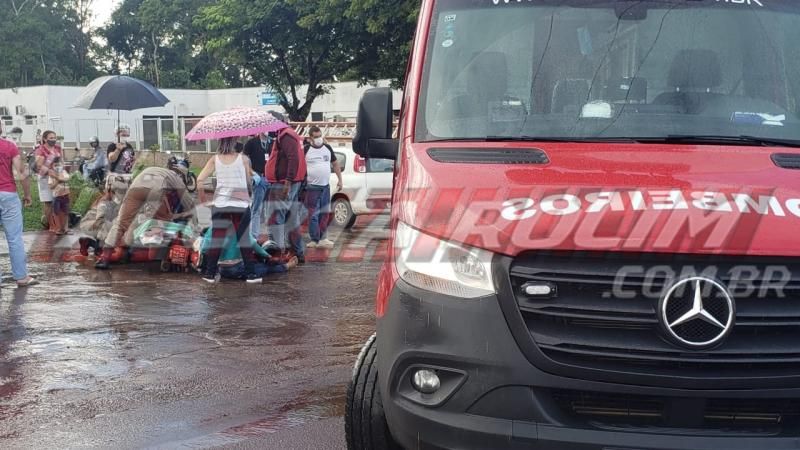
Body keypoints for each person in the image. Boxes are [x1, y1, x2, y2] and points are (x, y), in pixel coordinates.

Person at [95, 166, 196, 270]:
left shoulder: (158, 170)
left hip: (135, 187)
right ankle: (160, 259)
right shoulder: (177, 179)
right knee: (157, 223)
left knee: (121, 223)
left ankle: (104, 259)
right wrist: (195, 224)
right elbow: (189, 203)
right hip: (155, 188)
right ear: (183, 176)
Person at [196, 137, 261, 284]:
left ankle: (210, 275)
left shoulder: (214, 159)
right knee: (243, 239)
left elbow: (199, 180)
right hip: (240, 205)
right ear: (234, 143)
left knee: (217, 239)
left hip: (221, 204)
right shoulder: (243, 159)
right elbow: (248, 183)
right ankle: (251, 275)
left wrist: (203, 201)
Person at [0, 125, 37, 287]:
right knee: (14, 238)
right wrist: (27, 194)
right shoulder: (9, 146)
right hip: (8, 195)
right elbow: (22, 172)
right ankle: (21, 277)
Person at [265, 126, 307, 263]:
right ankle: (297, 252)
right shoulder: (290, 134)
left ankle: (278, 254)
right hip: (291, 183)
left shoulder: (285, 136)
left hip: (283, 184)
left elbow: (293, 158)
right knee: (291, 219)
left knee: (275, 218)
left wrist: (287, 182)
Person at [304, 126, 342, 249]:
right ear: (310, 138)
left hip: (325, 186)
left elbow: (335, 164)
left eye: (320, 136)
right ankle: (314, 239)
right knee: (313, 214)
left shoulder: (327, 148)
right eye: (315, 137)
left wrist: (340, 180)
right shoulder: (306, 150)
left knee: (324, 213)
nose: (318, 139)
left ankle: (323, 238)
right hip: (312, 187)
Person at [243, 133, 272, 239]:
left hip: (270, 178)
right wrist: (252, 173)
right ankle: (254, 236)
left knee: (269, 209)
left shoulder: (272, 143)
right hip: (258, 178)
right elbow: (244, 160)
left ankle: (271, 236)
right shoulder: (251, 143)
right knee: (257, 208)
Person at [33, 130, 62, 233]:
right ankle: (51, 225)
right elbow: (39, 166)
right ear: (45, 139)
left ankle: (60, 224)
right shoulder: (40, 150)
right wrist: (51, 172)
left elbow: (61, 161)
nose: (53, 139)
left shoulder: (58, 148)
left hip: (57, 177)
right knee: (48, 201)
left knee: (59, 200)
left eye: (54, 137)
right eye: (51, 138)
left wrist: (60, 173)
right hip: (45, 178)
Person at [47, 157, 71, 235]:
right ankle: (59, 228)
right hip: (57, 196)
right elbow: (51, 186)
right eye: (55, 164)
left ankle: (65, 228)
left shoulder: (64, 172)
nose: (57, 166)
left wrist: (56, 178)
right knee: (56, 213)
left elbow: (66, 179)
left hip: (65, 195)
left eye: (59, 164)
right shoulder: (51, 175)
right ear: (52, 165)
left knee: (66, 212)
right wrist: (58, 180)